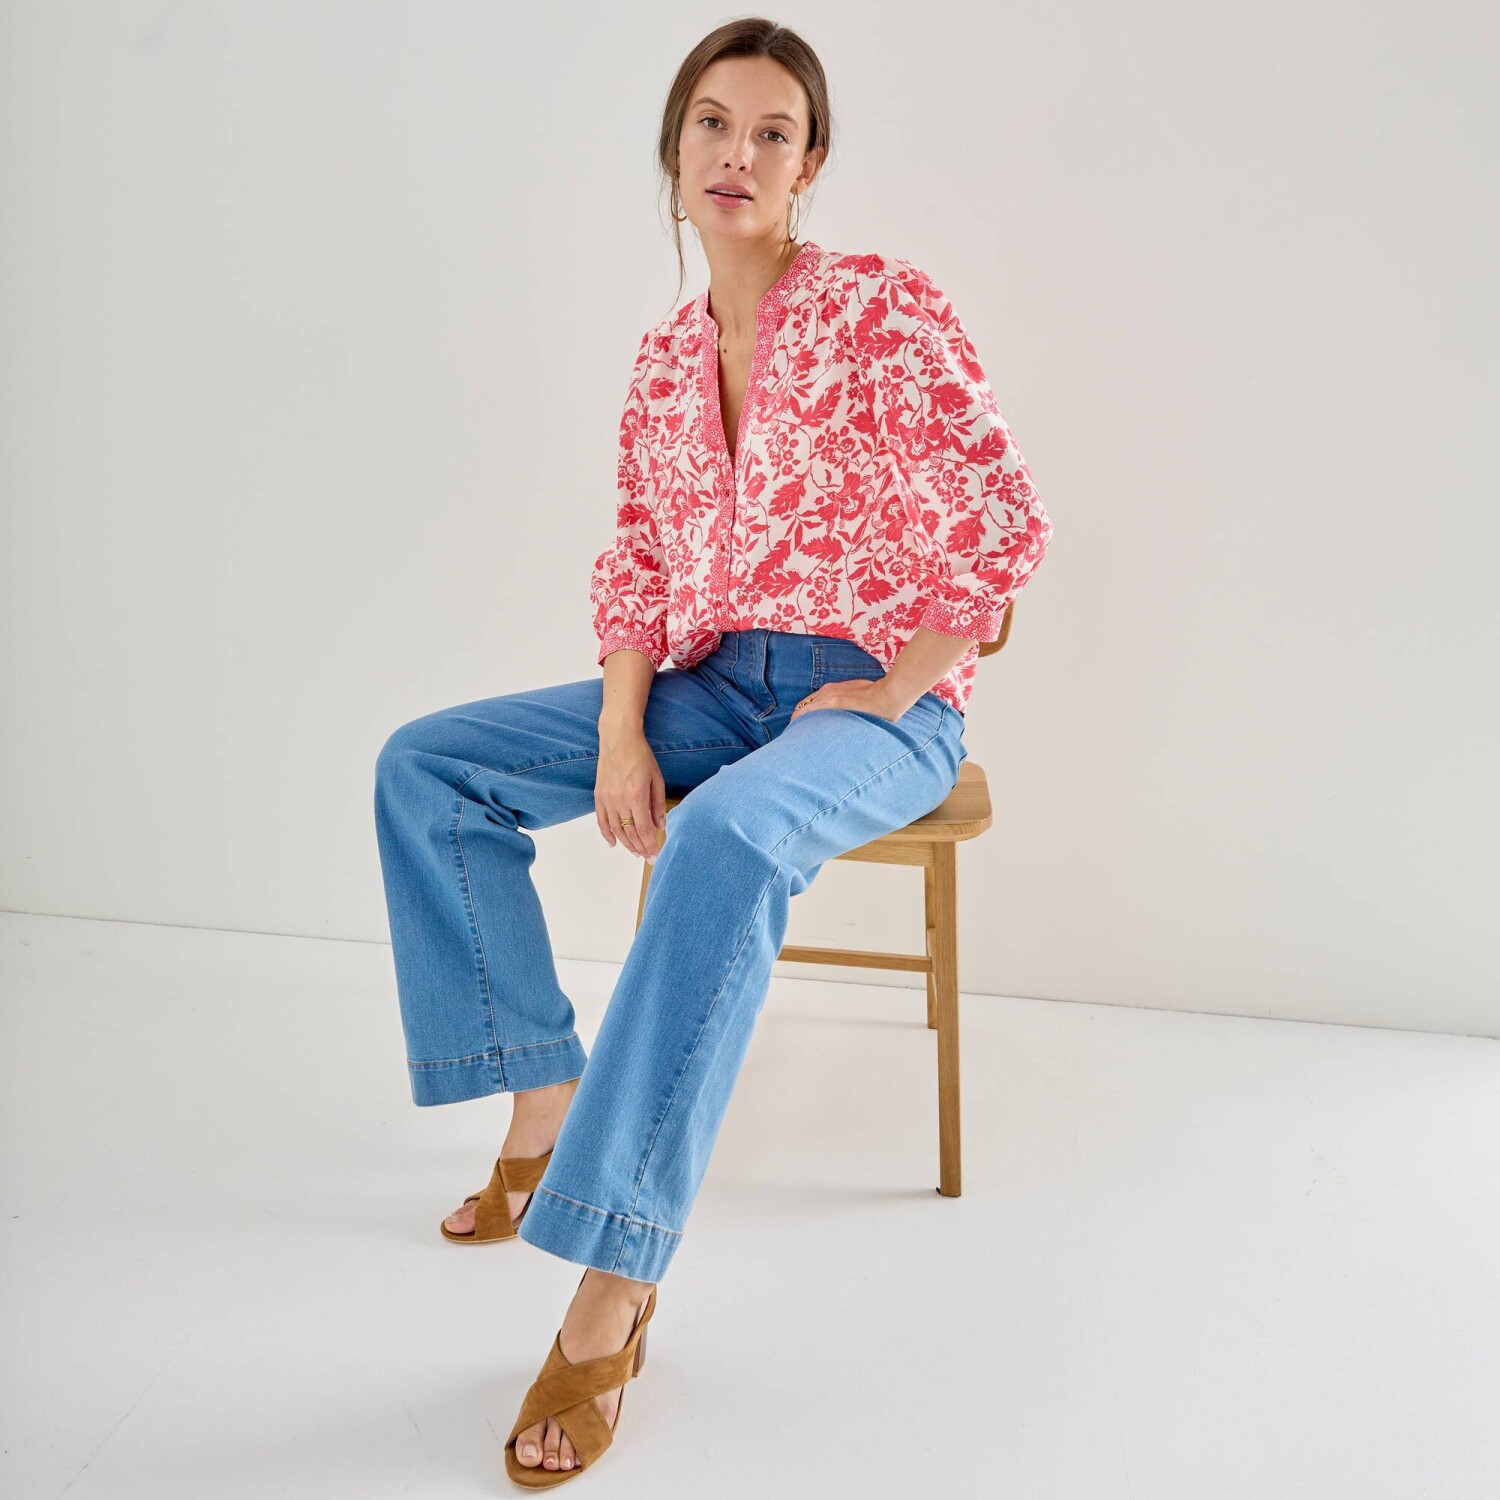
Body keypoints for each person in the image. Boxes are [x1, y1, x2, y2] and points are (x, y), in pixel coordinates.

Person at [372, 17, 1053, 1487]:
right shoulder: (665, 359)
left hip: (876, 701)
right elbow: (636, 560)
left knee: (727, 835)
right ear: (675, 149)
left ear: (811, 164)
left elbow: (1006, 515)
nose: (738, 154)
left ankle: (615, 1279)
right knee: (427, 767)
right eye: (712, 125)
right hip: (704, 683)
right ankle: (542, 1096)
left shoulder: (880, 307)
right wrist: (623, 731)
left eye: (772, 132)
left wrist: (897, 685)